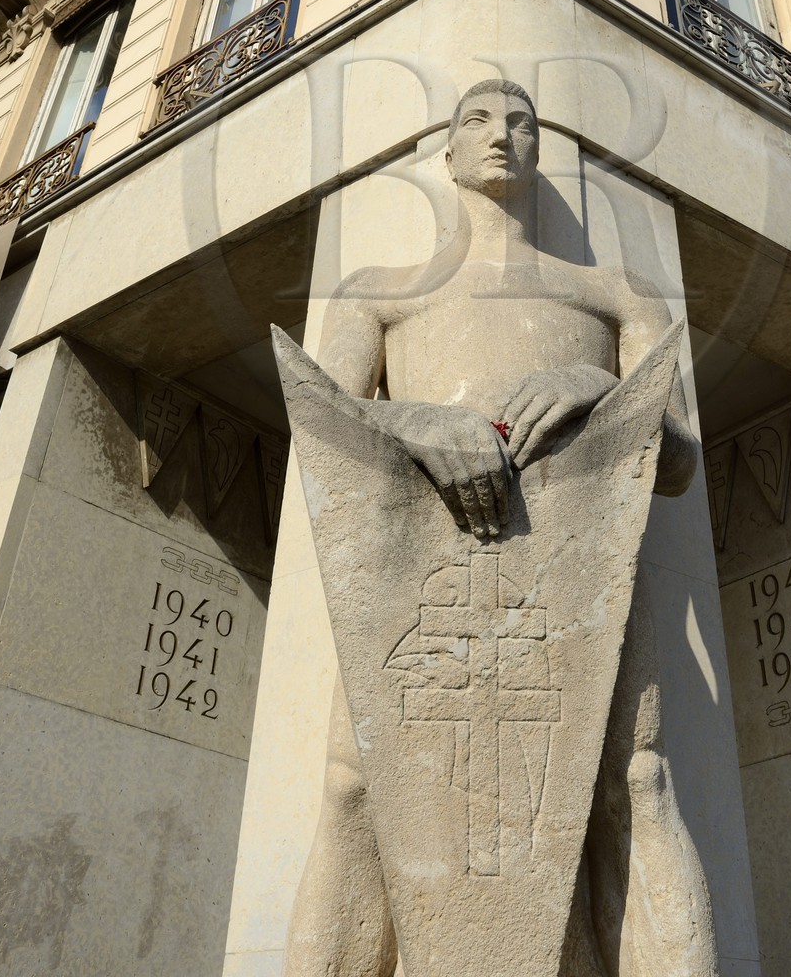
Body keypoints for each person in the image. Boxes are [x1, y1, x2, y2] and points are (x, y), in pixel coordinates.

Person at [284, 79, 718, 977]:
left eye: (522, 123)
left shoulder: (612, 294)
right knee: (355, 791)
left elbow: (678, 462)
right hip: (419, 584)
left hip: (574, 581)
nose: (503, 135)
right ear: (446, 155)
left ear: (538, 151)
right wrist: (415, 421)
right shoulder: (383, 294)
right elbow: (320, 430)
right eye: (478, 120)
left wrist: (604, 392)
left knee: (637, 782)